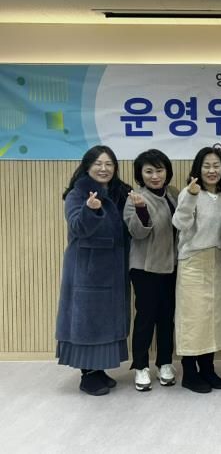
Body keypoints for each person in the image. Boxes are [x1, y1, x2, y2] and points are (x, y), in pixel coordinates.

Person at [55, 145, 131, 396]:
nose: (104, 168)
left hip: (114, 268)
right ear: (87, 166)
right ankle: (87, 375)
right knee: (87, 322)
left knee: (107, 322)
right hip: (86, 269)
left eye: (109, 164)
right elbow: (77, 227)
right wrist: (90, 209)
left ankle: (99, 370)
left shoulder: (121, 192)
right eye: (98, 163)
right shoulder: (77, 194)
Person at [172, 147, 221, 394]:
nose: (212, 170)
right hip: (193, 261)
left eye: (216, 165)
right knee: (192, 319)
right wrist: (191, 196)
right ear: (198, 169)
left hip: (215, 260)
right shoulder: (189, 192)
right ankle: (189, 372)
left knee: (211, 319)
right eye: (206, 166)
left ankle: (207, 369)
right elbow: (179, 223)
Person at [123, 149, 178, 392]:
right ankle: (141, 366)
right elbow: (137, 233)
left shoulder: (174, 194)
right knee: (146, 318)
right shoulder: (134, 198)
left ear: (167, 171)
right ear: (140, 174)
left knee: (167, 317)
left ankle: (165, 363)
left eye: (159, 170)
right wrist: (141, 210)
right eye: (149, 171)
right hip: (144, 268)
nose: (155, 176)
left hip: (171, 266)